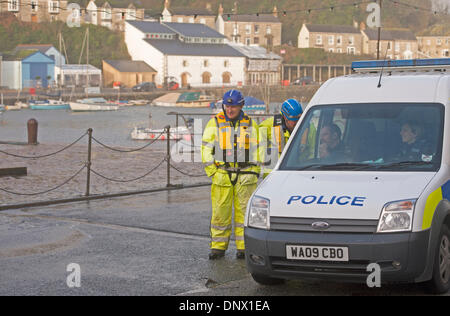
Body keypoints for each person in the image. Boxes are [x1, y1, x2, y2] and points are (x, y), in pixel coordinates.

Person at [201, 90, 261, 260]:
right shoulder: (215, 123)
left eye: (233, 106)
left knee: (244, 213)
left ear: (241, 106)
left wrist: (255, 172)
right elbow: (206, 149)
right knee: (220, 212)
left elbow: (259, 150)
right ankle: (218, 247)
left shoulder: (250, 124)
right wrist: (212, 171)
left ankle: (243, 247)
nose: (230, 109)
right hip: (222, 175)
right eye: (227, 106)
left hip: (245, 175)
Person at [259, 99, 315, 178]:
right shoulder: (269, 126)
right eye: (294, 120)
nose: (298, 123)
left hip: (301, 173)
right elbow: (258, 146)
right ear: (285, 118)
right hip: (273, 175)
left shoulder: (310, 128)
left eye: (300, 118)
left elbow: (313, 152)